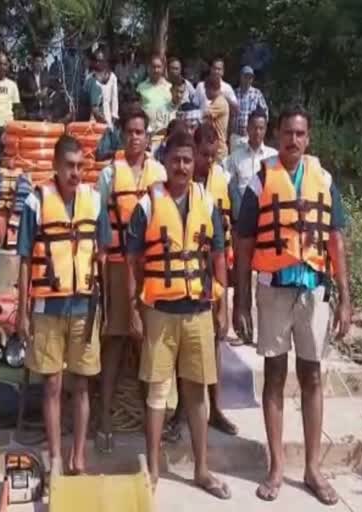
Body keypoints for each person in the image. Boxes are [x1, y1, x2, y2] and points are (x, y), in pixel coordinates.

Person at [232, 107, 352, 505]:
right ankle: (276, 467)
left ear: (308, 138)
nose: (293, 140)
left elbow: (335, 239)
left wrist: (345, 298)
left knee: (312, 376)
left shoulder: (324, 179)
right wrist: (241, 302)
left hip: (313, 290)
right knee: (275, 375)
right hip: (273, 288)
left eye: (300, 134)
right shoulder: (260, 180)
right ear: (277, 136)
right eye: (287, 133)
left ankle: (313, 468)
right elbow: (245, 243)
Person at [126, 131, 231, 500]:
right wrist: (136, 308)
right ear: (165, 161)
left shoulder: (207, 201)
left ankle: (202, 469)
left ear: (194, 163)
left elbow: (218, 255)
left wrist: (223, 305)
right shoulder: (147, 204)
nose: (182, 166)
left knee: (197, 391)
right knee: (156, 393)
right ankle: (153, 469)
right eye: (176, 160)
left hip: (199, 309)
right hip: (160, 311)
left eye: (188, 160)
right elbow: (133, 259)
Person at [17, 135, 110, 476]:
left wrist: (105, 307)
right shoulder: (35, 201)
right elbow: (25, 258)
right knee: (53, 384)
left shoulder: (95, 201)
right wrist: (22, 311)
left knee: (82, 384)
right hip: (46, 307)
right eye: (69, 166)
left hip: (84, 306)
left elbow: (101, 255)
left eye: (79, 166)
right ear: (56, 165)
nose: (75, 172)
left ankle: (78, 457)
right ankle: (56, 455)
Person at [95, 108, 166, 453]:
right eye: (130, 131)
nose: (135, 137)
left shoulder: (160, 172)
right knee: (117, 341)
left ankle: (152, 419)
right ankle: (105, 420)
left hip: (153, 267)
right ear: (123, 136)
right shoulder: (109, 174)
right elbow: (100, 225)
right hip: (120, 265)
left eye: (141, 131)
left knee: (148, 345)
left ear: (148, 136)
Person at [164, 124, 236, 441]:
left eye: (211, 154)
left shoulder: (222, 182)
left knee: (215, 345)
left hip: (212, 273)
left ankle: (216, 408)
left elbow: (225, 240)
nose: (207, 160)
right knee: (186, 351)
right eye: (202, 154)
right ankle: (181, 410)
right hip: (185, 276)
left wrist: (227, 300)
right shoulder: (180, 188)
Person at [226, 108, 278, 206]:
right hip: (243, 211)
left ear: (265, 130)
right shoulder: (235, 157)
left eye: (261, 128)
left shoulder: (273, 156)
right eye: (254, 128)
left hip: (266, 209)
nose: (257, 132)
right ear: (248, 128)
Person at [136, 54, 172, 146]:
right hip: (148, 135)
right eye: (153, 67)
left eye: (159, 67)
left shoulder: (170, 87)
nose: (156, 70)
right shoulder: (141, 87)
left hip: (166, 135)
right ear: (149, 68)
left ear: (163, 68)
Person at [232, 65, 268, 147]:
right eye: (245, 76)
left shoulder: (257, 93)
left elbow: (265, 113)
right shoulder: (234, 93)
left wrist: (260, 130)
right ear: (240, 77)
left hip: (252, 136)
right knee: (235, 159)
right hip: (236, 136)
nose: (248, 80)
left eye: (250, 77)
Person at [18, 50, 50, 121]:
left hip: (45, 111)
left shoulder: (46, 76)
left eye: (40, 62)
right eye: (37, 61)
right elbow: (21, 94)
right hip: (31, 113)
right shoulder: (25, 76)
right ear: (32, 62)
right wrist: (34, 95)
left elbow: (52, 88)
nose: (39, 64)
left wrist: (47, 91)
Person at [203, 78, 230, 160]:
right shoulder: (216, 101)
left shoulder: (219, 102)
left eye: (206, 90)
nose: (205, 93)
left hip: (219, 150)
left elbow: (202, 115)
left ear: (211, 89)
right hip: (215, 147)